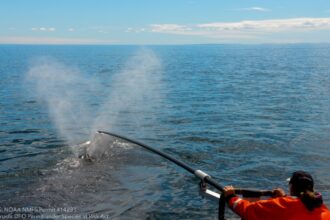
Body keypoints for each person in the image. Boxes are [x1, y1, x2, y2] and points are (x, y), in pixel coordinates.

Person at [224, 171, 330, 220]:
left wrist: (231, 197)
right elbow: (299, 209)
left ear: (291, 187)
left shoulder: (282, 205)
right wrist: (283, 198)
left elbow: (248, 211)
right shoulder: (322, 208)